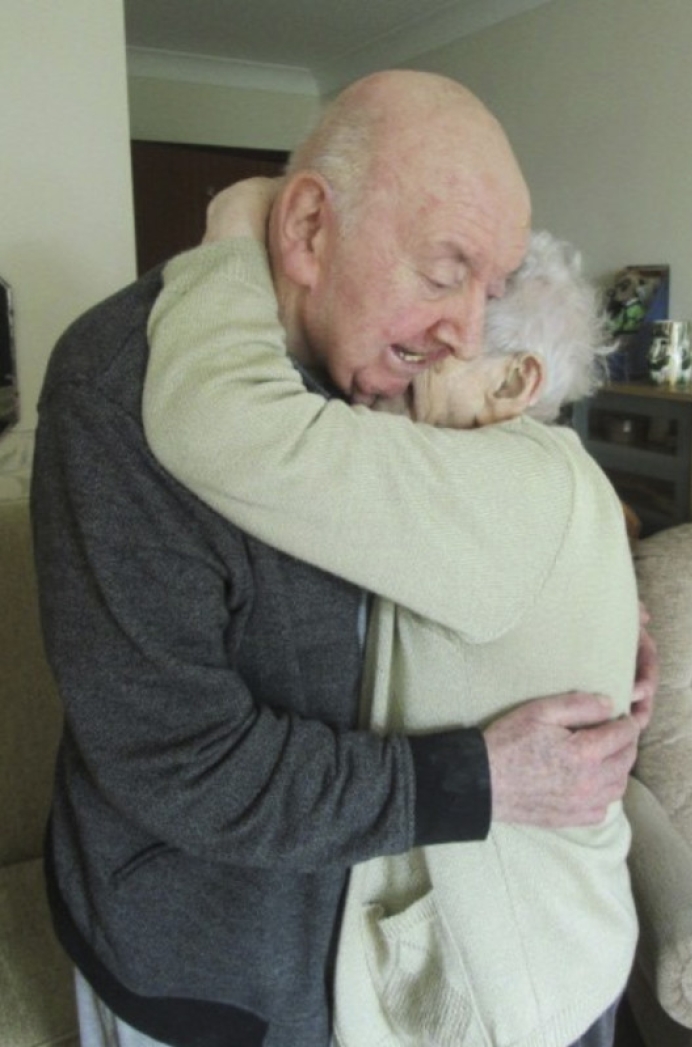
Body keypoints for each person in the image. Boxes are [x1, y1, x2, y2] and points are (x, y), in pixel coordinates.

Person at [31, 70, 654, 1047]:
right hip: (201, 966)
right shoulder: (120, 392)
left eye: (488, 294)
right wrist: (472, 782)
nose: (462, 336)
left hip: (373, 962)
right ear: (310, 229)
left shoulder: (395, 390)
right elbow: (183, 763)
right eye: (445, 272)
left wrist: (600, 635)